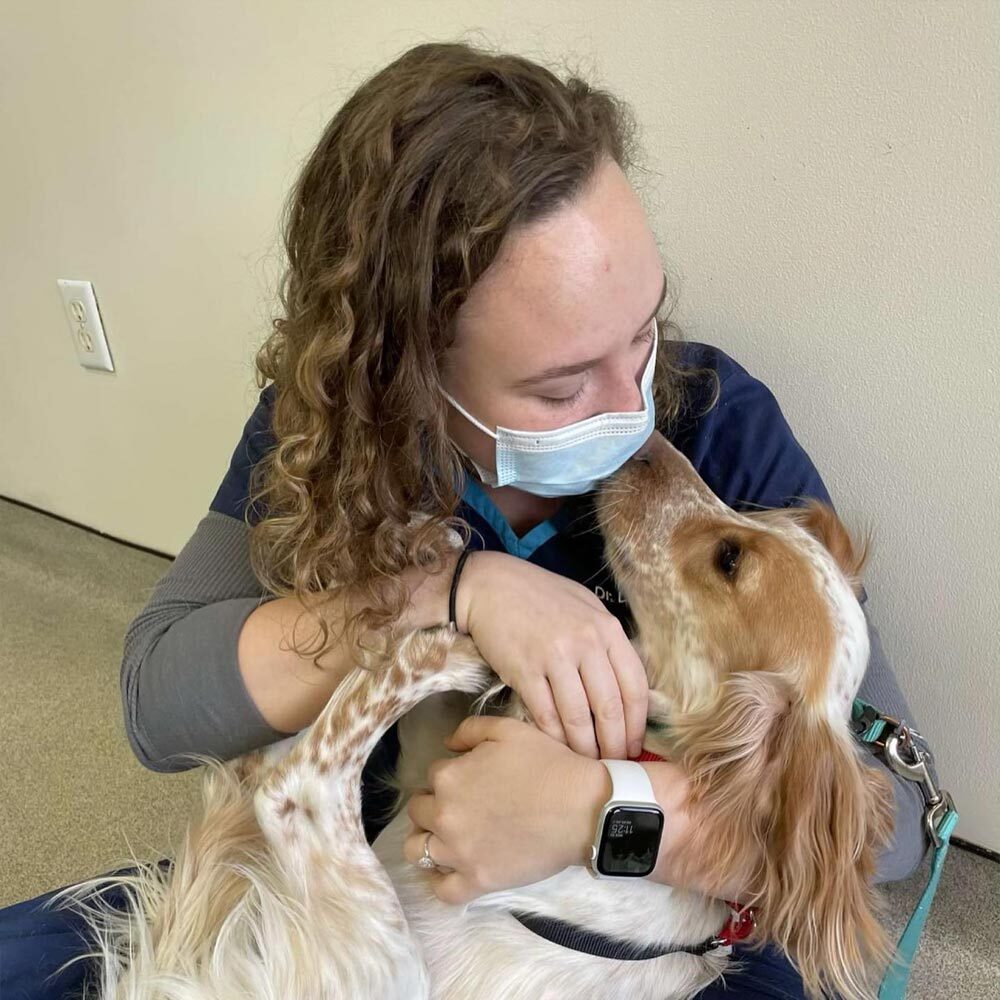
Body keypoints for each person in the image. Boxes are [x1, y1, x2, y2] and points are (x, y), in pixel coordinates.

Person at [0, 40, 931, 999]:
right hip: (366, 869)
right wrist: (450, 592)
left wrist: (601, 815)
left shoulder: (716, 415)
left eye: (645, 328)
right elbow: (161, 698)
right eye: (564, 386)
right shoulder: (326, 425)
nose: (639, 418)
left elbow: (888, 818)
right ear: (403, 376)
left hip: (665, 915)